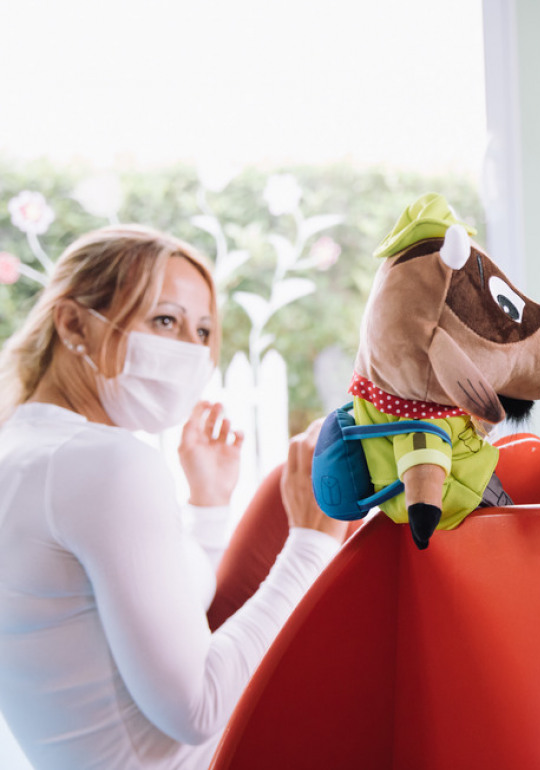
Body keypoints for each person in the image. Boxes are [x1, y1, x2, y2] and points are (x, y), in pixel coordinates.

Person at [0, 225, 348, 769]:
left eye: (203, 330)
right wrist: (312, 542)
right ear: (72, 323)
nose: (191, 349)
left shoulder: (22, 448)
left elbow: (145, 627)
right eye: (165, 320)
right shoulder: (106, 463)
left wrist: (207, 507)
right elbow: (197, 709)